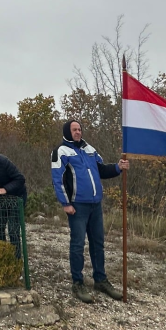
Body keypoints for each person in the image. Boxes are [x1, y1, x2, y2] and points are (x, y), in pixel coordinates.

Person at [51, 120, 130, 304]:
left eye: (79, 129)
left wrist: (118, 167)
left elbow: (101, 169)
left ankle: (100, 280)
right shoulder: (61, 151)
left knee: (98, 244)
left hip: (95, 205)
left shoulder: (89, 149)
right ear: (67, 132)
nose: (78, 132)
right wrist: (65, 203)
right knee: (78, 245)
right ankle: (78, 283)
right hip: (77, 206)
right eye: (74, 130)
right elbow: (57, 179)